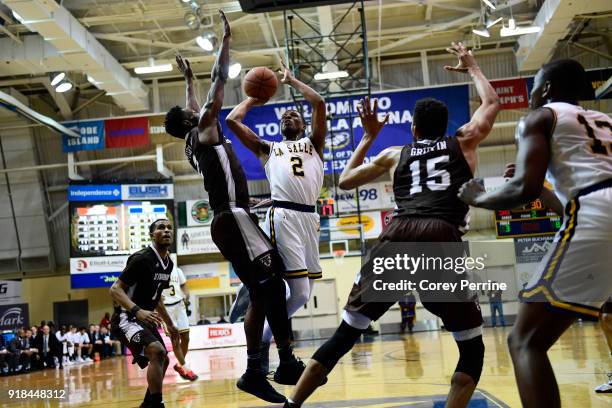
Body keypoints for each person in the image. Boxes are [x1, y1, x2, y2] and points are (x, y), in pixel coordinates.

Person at [283, 41, 500, 408]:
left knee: (345, 335)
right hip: (440, 235)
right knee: (471, 347)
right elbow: (492, 104)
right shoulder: (463, 142)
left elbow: (347, 180)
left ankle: (291, 406)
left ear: (413, 128)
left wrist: (368, 136)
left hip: (396, 235)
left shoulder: (394, 153)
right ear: (445, 126)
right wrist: (474, 67)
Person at [163, 10, 303, 404]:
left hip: (235, 215)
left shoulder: (194, 139)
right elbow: (218, 82)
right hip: (232, 218)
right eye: (196, 109)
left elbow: (197, 99)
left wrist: (188, 79)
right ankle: (281, 361)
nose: (201, 108)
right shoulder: (204, 129)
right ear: (193, 120)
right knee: (272, 285)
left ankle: (259, 370)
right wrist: (226, 40)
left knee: (264, 292)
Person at [458, 58, 611, 408]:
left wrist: (477, 197)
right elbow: (565, 203)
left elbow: (521, 190)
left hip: (598, 211)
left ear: (546, 89)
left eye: (533, 89)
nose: (529, 97)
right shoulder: (605, 122)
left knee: (525, 340)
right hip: (596, 207)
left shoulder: (541, 117)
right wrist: (541, 187)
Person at [226, 58, 326, 374]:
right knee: (294, 289)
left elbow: (319, 103)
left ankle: (263, 320)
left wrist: (291, 81)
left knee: (302, 293)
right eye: (284, 115)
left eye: (294, 115)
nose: (288, 116)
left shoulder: (315, 144)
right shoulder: (269, 149)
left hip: (309, 220)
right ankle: (267, 338)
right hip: (283, 216)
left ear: (303, 126)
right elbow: (231, 120)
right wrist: (255, 98)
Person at [109, 219, 178, 408]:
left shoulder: (168, 264)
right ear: (151, 235)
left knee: (162, 359)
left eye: (169, 228)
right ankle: (156, 404)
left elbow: (158, 300)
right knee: (157, 351)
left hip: (145, 319)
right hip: (126, 317)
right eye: (161, 228)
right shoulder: (141, 258)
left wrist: (170, 324)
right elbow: (115, 290)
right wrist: (137, 310)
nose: (166, 231)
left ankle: (148, 403)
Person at [161, 264, 197, 381]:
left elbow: (184, 286)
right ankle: (187, 369)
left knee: (186, 338)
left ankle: (179, 365)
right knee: (175, 340)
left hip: (179, 305)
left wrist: (186, 295)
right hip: (166, 309)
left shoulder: (177, 271)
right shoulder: (155, 272)